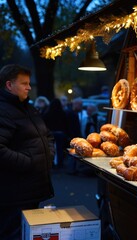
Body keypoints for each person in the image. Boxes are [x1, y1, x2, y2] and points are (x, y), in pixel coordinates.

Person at [0, 64, 55, 240]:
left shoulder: (27, 107)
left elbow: (47, 135)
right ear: (9, 85)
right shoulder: (3, 111)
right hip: (15, 194)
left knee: (27, 233)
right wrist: (29, 162)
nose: (29, 87)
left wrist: (49, 154)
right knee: (14, 233)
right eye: (24, 83)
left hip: (32, 189)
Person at [43, 98, 71, 167]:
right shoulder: (63, 113)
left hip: (50, 133)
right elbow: (66, 125)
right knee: (60, 149)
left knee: (51, 148)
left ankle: (52, 162)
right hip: (60, 134)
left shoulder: (47, 113)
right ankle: (59, 162)